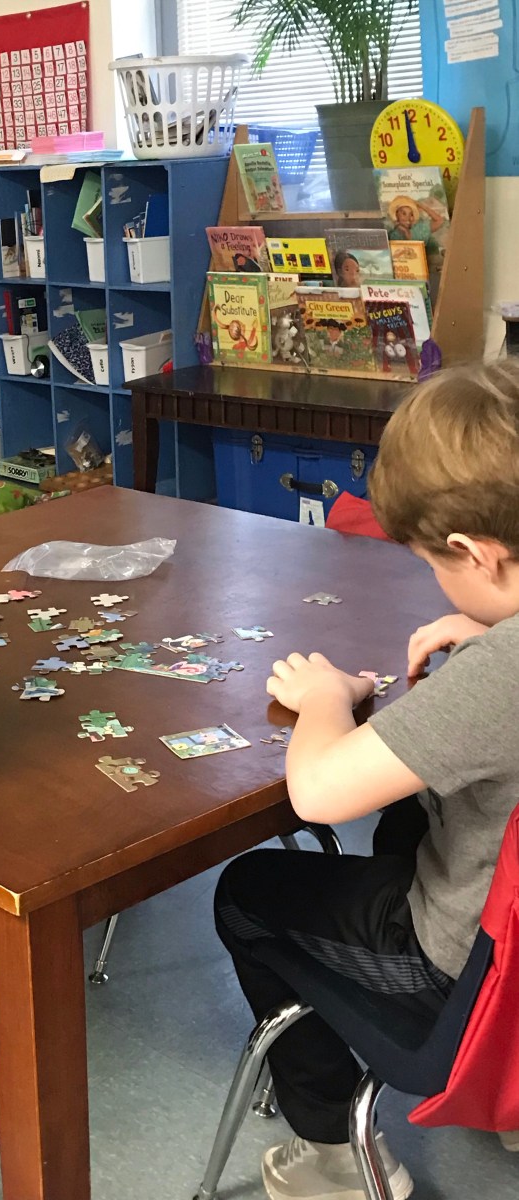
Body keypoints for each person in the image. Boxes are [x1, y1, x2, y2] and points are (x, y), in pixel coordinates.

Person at [214, 358, 519, 1200]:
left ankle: (338, 1157)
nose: (434, 580)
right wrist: (492, 625)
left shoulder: (504, 676)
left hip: (466, 982)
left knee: (245, 892)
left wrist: (325, 698)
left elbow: (317, 793)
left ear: (475, 553)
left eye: (433, 564)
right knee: (407, 821)